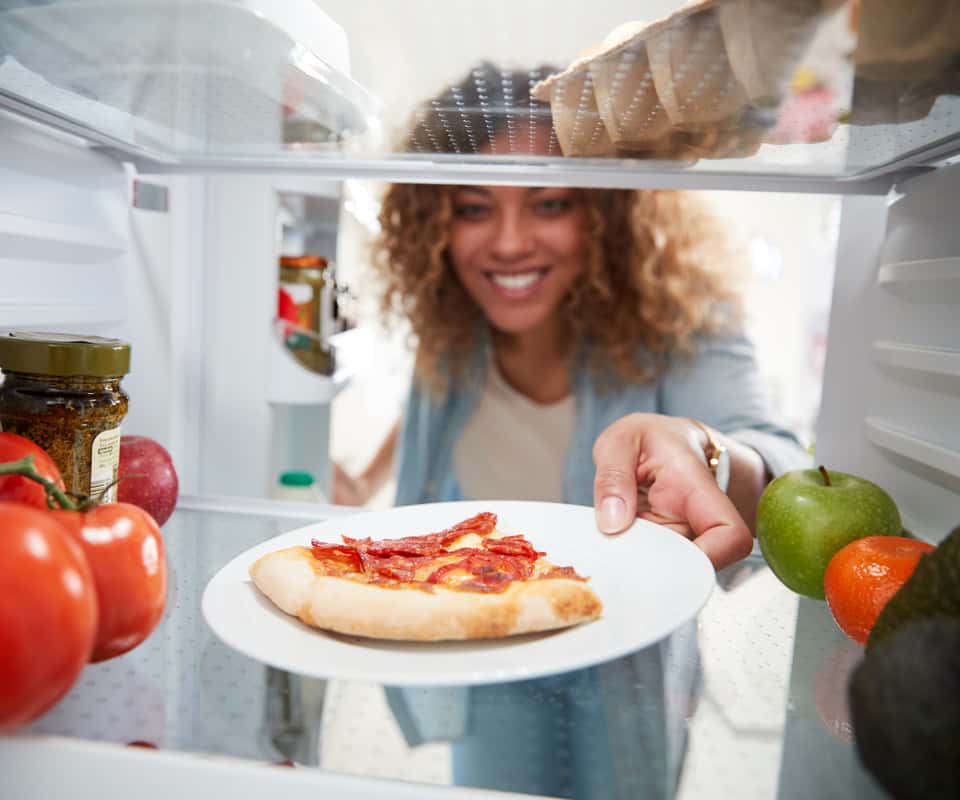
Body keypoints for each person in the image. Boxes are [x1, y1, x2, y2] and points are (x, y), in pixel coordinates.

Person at [334, 62, 809, 572]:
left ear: (608, 215)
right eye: (474, 209)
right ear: (436, 225)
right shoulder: (456, 326)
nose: (510, 243)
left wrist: (704, 450)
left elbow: (786, 474)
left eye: (551, 204)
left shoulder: (682, 323)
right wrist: (363, 484)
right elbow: (425, 409)